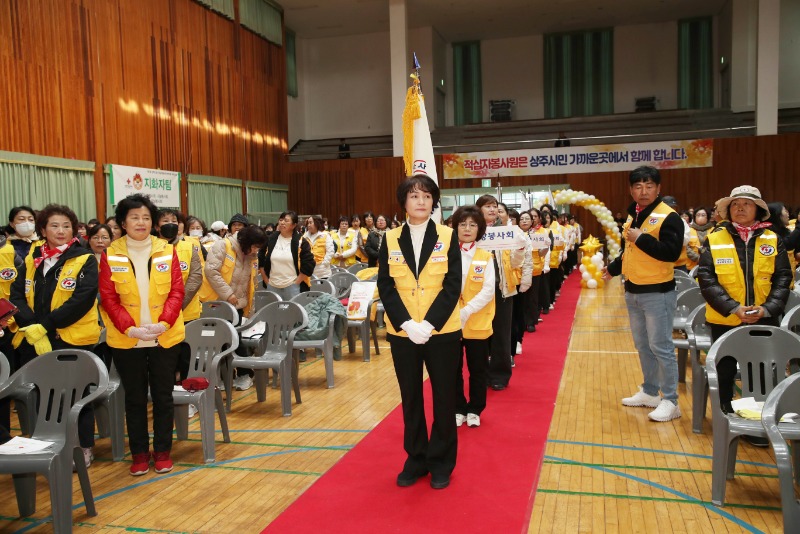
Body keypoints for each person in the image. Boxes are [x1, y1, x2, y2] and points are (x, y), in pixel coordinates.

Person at [377, 175, 462, 490]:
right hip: (404, 334)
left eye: (427, 196)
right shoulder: (390, 239)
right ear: (404, 202)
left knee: (444, 397)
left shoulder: (448, 236)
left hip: (441, 331)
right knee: (410, 397)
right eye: (414, 196)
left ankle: (441, 462)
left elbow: (453, 284)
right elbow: (386, 285)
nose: (421, 201)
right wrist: (406, 323)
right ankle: (416, 459)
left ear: (434, 202)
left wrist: (429, 324)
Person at [98, 194, 185, 476]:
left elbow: (176, 291)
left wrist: (164, 323)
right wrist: (129, 328)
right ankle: (138, 454)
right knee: (134, 399)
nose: (141, 222)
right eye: (134, 217)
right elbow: (108, 298)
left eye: (146, 217)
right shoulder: (110, 253)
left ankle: (162, 451)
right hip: (127, 338)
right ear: (123, 223)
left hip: (164, 336)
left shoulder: (167, 250)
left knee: (163, 396)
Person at [697, 186, 792, 445]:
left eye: (747, 204)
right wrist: (733, 308)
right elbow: (706, 279)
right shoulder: (714, 239)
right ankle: (726, 420)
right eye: (735, 204)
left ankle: (759, 424)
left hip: (764, 318)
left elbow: (783, 278)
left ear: (758, 210)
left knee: (762, 374)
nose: (740, 208)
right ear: (728, 210)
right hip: (725, 319)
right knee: (724, 373)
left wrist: (767, 308)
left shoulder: (772, 239)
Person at [11, 204, 101, 467]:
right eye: (54, 226)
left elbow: (82, 300)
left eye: (66, 226)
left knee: (77, 396)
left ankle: (82, 446)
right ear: (43, 230)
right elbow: (17, 294)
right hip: (36, 339)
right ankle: (50, 445)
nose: (61, 231)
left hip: (72, 339)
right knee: (43, 396)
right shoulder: (33, 257)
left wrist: (46, 326)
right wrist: (32, 326)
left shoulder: (84, 259)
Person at [603, 166, 684, 422]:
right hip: (633, 289)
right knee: (643, 345)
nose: (643, 191)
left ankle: (671, 400)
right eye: (638, 186)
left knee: (661, 346)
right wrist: (613, 269)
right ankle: (650, 391)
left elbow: (671, 253)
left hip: (658, 291)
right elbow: (630, 251)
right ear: (631, 189)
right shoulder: (634, 214)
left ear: (658, 188)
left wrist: (641, 238)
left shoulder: (669, 217)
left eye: (649, 186)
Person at [205, 224, 268, 390]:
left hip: (237, 305)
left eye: (258, 248)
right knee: (217, 342)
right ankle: (220, 377)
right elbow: (211, 271)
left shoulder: (251, 256)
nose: (256, 250)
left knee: (236, 340)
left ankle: (244, 374)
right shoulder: (223, 246)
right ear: (246, 242)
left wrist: (248, 306)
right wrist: (228, 294)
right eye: (255, 246)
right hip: (217, 303)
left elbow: (250, 282)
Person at [476, 195, 524, 391]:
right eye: (487, 206)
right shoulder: (473, 231)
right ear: (479, 209)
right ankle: (481, 373)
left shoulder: (507, 232)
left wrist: (519, 247)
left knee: (501, 334)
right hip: (478, 291)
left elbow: (516, 262)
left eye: (494, 206)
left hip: (502, 289)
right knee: (479, 334)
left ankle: (500, 375)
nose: (492, 209)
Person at [452, 205, 494, 429]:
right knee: (453, 369)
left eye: (472, 225)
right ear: (455, 227)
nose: (467, 229)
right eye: (462, 224)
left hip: (477, 321)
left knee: (478, 369)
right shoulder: (446, 255)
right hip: (450, 322)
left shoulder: (486, 257)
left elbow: (488, 290)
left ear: (480, 229)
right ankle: (458, 408)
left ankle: (475, 409)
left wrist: (466, 311)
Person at [260, 210, 314, 301]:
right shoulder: (271, 239)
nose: (282, 222)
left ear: (293, 225)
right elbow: (260, 258)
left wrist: (296, 283)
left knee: (293, 310)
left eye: (286, 220)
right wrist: (266, 280)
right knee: (273, 310)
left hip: (292, 287)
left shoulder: (301, 241)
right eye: (281, 220)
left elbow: (309, 264)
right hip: (272, 285)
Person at [0, 231, 23, 442]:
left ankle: (4, 439)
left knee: (3, 387)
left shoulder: (8, 252)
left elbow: (19, 287)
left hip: (4, 327)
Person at [686, 207, 714, 271]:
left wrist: (706, 258)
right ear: (694, 217)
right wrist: (697, 258)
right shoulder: (688, 230)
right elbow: (685, 247)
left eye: (703, 215)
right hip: (691, 267)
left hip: (710, 266)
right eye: (698, 215)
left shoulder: (714, 230)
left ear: (708, 217)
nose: (700, 217)